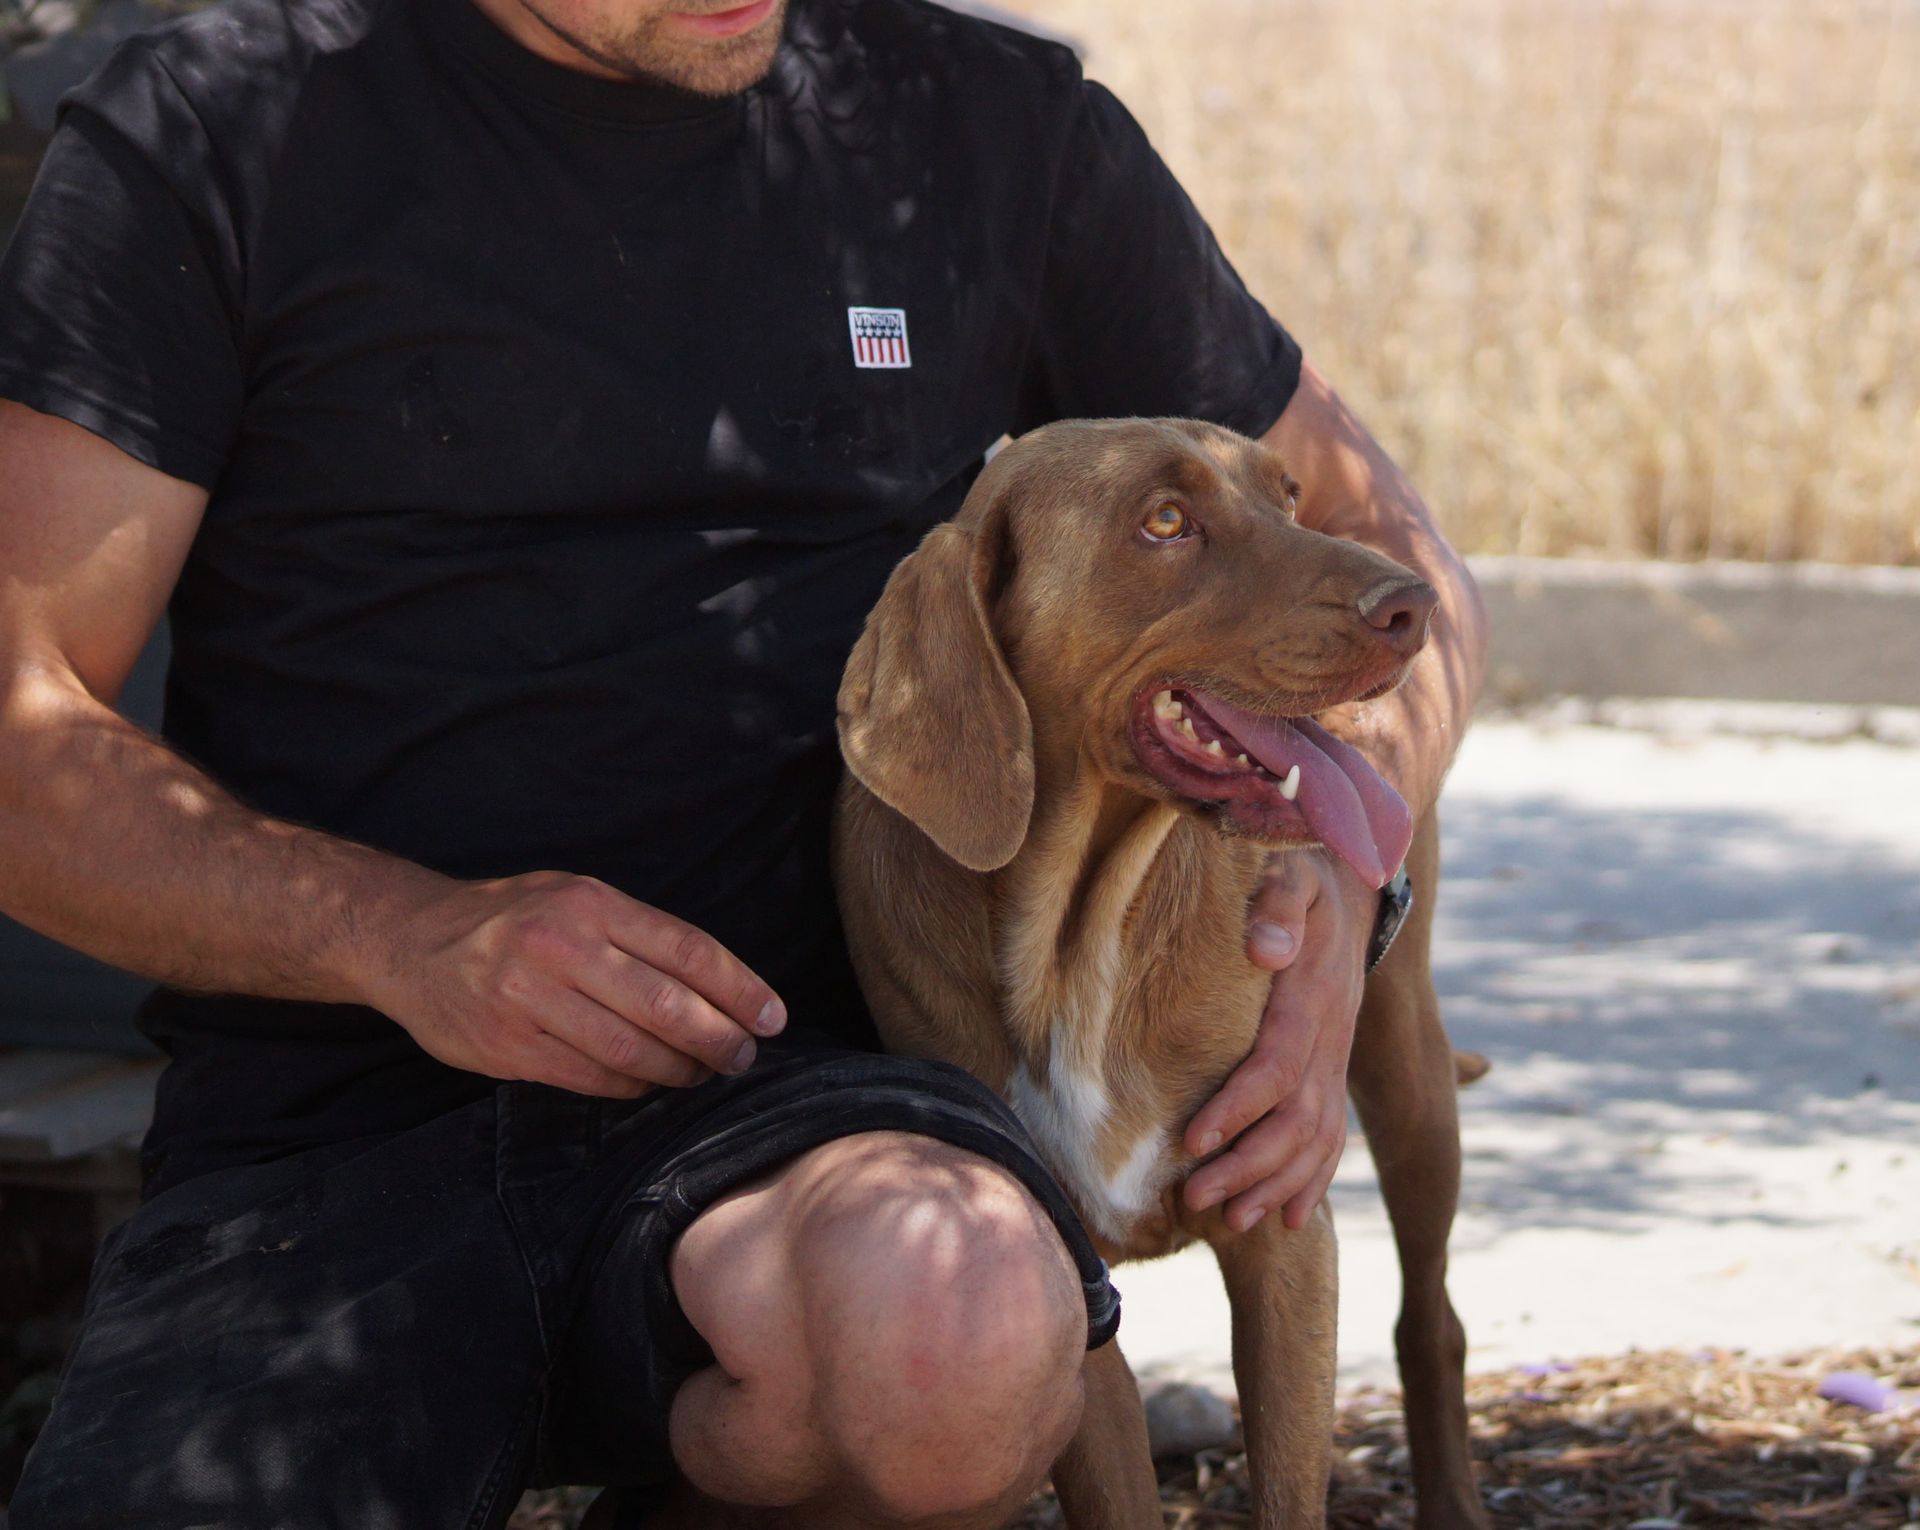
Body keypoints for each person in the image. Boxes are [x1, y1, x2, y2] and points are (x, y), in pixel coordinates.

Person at [0, 0, 1486, 1521]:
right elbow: (17, 733)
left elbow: (1394, 555)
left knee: (958, 1319)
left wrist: (1337, 892)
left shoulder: (987, 128)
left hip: (807, 1112)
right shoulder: (221, 129)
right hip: (322, 1142)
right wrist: (404, 935)